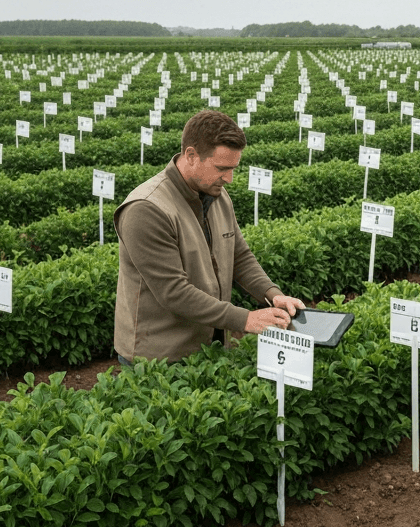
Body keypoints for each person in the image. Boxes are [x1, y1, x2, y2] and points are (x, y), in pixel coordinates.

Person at [114, 109, 303, 364]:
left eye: (233, 168)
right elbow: (174, 292)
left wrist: (271, 293)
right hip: (161, 358)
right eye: (222, 168)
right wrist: (246, 319)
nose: (230, 179)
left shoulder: (216, 194)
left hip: (208, 345)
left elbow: (239, 255)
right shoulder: (146, 209)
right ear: (191, 155)